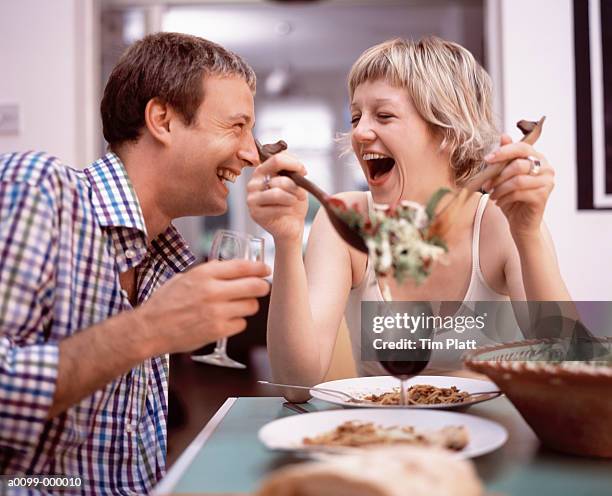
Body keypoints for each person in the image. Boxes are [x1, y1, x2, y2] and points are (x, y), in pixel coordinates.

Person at [0, 33, 270, 493]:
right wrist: (149, 329)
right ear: (162, 119)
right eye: (236, 127)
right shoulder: (40, 189)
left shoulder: (160, 257)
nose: (251, 153)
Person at [248, 37, 571, 402]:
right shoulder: (342, 221)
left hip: (495, 439)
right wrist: (288, 241)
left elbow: (567, 362)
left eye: (383, 115)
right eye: (355, 116)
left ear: (447, 132)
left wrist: (527, 232)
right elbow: (295, 384)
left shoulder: (500, 220)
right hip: (386, 442)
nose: (359, 132)